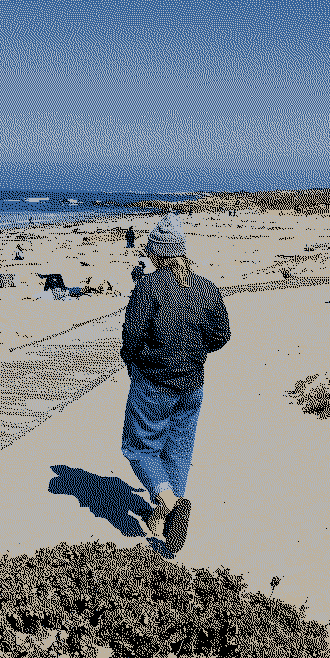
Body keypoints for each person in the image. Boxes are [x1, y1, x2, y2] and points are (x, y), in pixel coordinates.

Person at [120, 213, 231, 554]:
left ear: (157, 253)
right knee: (178, 451)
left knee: (138, 447)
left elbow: (131, 336)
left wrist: (132, 363)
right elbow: (221, 335)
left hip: (154, 381)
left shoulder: (148, 287)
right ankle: (164, 518)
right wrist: (195, 351)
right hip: (192, 385)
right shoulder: (206, 288)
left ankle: (170, 505)